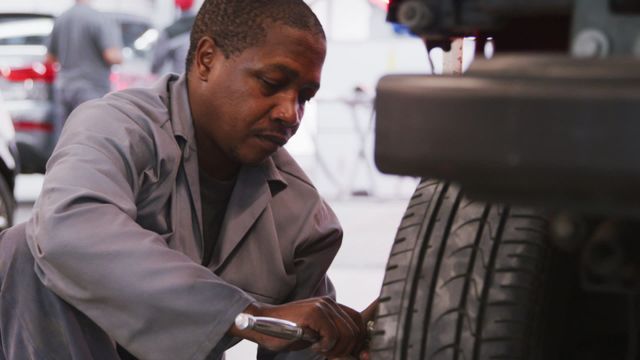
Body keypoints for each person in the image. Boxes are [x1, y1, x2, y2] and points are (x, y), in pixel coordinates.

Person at [0, 0, 376, 359]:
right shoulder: (117, 128)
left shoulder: (301, 216)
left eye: (305, 97)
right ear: (206, 59)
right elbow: (68, 230)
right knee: (25, 248)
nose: (290, 114)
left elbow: (308, 337)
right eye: (271, 82)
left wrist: (345, 341)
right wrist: (244, 314)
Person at [45, 0, 123, 142]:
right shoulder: (100, 19)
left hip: (64, 87)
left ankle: (64, 165)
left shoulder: (61, 19)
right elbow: (111, 55)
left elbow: (50, 58)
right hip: (91, 88)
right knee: (91, 138)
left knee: (65, 139)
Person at [150, 0, 196, 75]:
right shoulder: (203, 27)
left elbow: (157, 62)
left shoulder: (169, 32)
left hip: (179, 80)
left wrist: (153, 72)